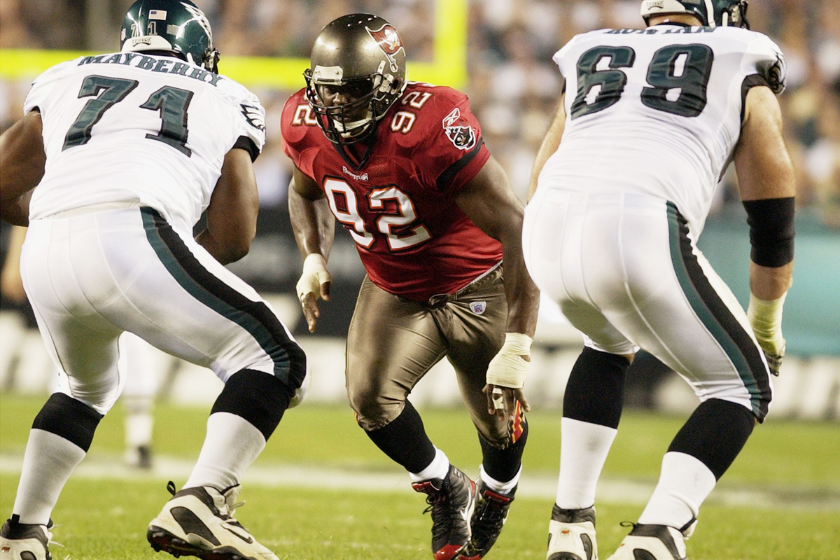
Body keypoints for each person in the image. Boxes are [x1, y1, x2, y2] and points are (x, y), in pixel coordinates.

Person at [0, 1, 309, 559]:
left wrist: (62, 210)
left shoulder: (69, 73)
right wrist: (161, 269)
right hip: (132, 231)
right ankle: (205, 500)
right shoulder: (226, 93)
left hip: (44, 248)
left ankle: (23, 533)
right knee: (273, 359)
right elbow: (235, 236)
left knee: (84, 389)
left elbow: (2, 181)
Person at [523, 1, 795, 559]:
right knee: (741, 385)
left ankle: (569, 525)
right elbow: (772, 213)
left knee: (605, 342)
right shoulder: (742, 53)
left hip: (547, 224)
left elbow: (546, 162)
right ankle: (657, 535)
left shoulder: (589, 49)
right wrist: (766, 322)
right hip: (638, 223)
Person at [281, 13, 540, 560]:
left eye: (350, 93)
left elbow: (517, 226)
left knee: (497, 420)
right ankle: (446, 485)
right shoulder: (304, 122)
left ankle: (497, 491)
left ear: (387, 83)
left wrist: (519, 339)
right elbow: (304, 189)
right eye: (325, 91)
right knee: (370, 398)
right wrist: (312, 256)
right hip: (394, 288)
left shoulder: (430, 127)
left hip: (478, 284)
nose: (335, 106)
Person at [1, 226, 157, 470]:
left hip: (115, 256)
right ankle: (62, 442)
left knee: (132, 344)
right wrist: (15, 259)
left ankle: (139, 441)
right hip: (71, 259)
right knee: (71, 355)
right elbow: (29, 204)